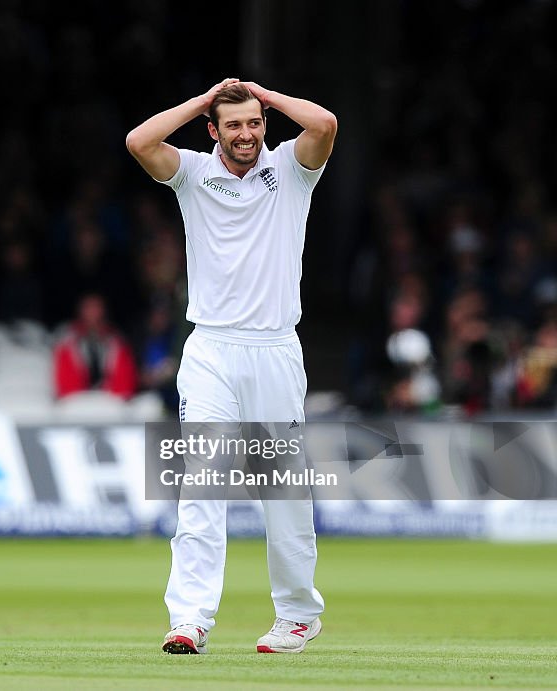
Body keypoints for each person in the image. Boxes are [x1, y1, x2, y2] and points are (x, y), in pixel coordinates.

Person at [127, 79, 337, 654]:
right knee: (201, 483)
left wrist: (263, 95)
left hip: (274, 347)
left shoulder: (292, 169)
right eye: (235, 125)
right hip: (211, 348)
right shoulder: (193, 172)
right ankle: (189, 619)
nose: (247, 135)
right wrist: (203, 99)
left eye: (255, 123)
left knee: (282, 489)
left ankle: (297, 615)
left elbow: (323, 125)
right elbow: (139, 141)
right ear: (214, 131)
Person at [53, 293, 137, 400]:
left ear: (104, 310)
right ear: (80, 310)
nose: (92, 312)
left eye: (96, 307)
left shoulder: (117, 342)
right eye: (88, 307)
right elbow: (65, 381)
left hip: (111, 403)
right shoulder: (67, 342)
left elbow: (125, 380)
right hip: (77, 403)